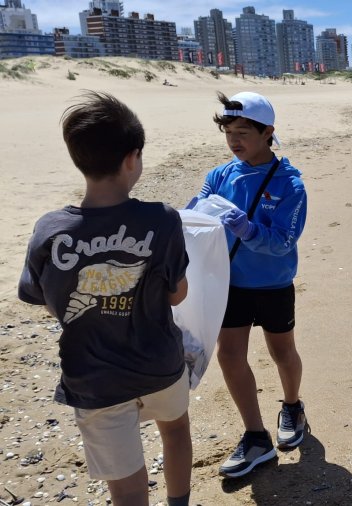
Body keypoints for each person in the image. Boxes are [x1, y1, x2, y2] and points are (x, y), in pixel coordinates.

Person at [18, 91, 192, 506]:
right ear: (132, 159)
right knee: (175, 430)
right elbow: (177, 295)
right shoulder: (162, 220)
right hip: (159, 364)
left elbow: (48, 301)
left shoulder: (50, 230)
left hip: (93, 377)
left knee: (126, 485)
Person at [189, 91, 309, 478]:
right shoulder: (219, 176)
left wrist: (248, 229)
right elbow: (197, 214)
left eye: (242, 132)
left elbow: (284, 241)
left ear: (267, 132)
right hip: (230, 282)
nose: (234, 141)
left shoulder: (290, 185)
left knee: (282, 351)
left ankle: (292, 406)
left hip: (273, 284)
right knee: (229, 355)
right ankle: (256, 437)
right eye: (228, 132)